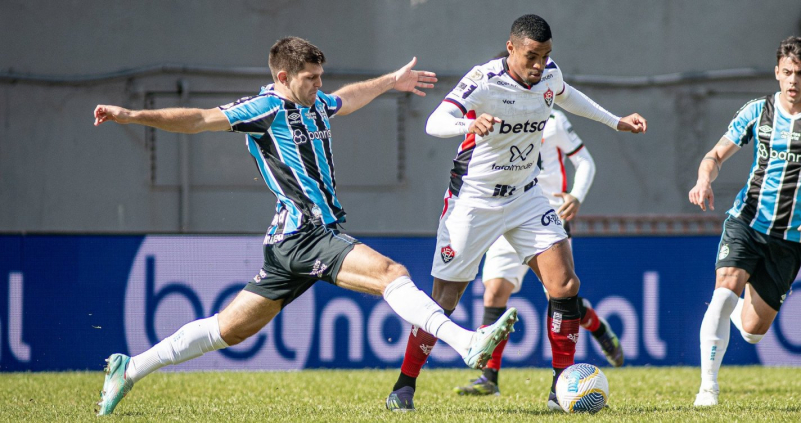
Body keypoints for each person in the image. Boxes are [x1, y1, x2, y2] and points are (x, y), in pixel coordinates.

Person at [91, 36, 518, 416]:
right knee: (392, 274)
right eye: (310, 78)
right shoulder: (265, 108)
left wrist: (390, 80)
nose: (318, 86)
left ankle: (130, 368)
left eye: (320, 77)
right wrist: (130, 115)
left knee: (228, 330)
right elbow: (198, 119)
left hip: (289, 245)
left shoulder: (316, 104)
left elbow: (347, 99)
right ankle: (467, 343)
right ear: (283, 76)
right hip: (305, 234)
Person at [385, 15, 646, 412]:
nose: (539, 65)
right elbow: (434, 123)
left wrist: (615, 121)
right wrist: (469, 123)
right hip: (474, 201)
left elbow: (567, 94)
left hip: (526, 196)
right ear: (511, 48)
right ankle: (404, 386)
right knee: (444, 300)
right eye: (531, 56)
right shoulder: (484, 79)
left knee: (564, 285)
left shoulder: (549, 76)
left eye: (545, 56)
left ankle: (561, 385)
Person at [688, 36, 801, 407]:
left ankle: (738, 305)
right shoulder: (757, 112)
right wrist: (704, 179)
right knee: (722, 294)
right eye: (786, 73)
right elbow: (715, 155)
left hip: (789, 237)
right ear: (776, 73)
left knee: (752, 331)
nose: (793, 81)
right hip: (747, 219)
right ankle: (707, 390)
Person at [453, 107, 624, 397]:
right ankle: (489, 378)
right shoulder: (496, 122)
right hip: (507, 214)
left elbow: (585, 161)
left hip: (547, 218)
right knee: (494, 292)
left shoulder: (553, 120)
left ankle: (594, 326)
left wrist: (576, 196)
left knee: (559, 296)